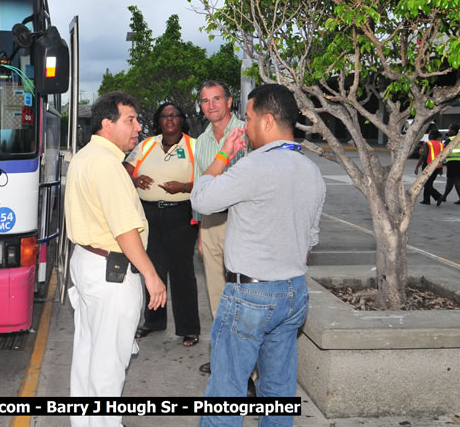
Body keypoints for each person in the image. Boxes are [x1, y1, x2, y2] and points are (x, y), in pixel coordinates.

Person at [191, 84, 325, 427]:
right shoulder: (311, 170)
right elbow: (310, 240)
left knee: (226, 392)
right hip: (293, 292)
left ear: (267, 121)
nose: (246, 127)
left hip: (250, 295)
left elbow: (201, 199)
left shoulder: (254, 166)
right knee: (278, 390)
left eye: (249, 119)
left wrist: (223, 155)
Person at [64, 91, 166, 427]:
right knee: (108, 363)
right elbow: (125, 230)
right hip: (112, 271)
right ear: (107, 124)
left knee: (89, 353)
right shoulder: (107, 165)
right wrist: (151, 275)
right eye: (130, 120)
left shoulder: (86, 156)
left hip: (89, 263)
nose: (138, 127)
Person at [124, 102, 200, 347]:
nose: (169, 119)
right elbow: (123, 171)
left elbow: (210, 179)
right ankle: (154, 321)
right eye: (165, 116)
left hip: (181, 215)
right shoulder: (146, 145)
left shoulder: (194, 146)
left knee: (182, 273)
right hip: (148, 215)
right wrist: (135, 180)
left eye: (174, 115)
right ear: (158, 120)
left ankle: (189, 328)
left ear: (182, 120)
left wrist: (184, 187)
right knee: (152, 268)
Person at [193, 80, 247, 374]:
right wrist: (201, 230)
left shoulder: (246, 132)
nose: (211, 105)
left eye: (216, 99)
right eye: (205, 100)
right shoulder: (201, 141)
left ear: (229, 101)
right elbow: (199, 187)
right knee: (217, 297)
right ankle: (223, 361)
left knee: (243, 297)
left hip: (241, 220)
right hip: (211, 223)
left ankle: (247, 372)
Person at [436, 124, 460, 206]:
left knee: (455, 179)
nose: (448, 131)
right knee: (451, 180)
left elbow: (443, 153)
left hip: (452, 162)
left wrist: (440, 165)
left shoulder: (449, 140)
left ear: (453, 131)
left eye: (450, 129)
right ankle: (445, 196)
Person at [414, 128, 444, 205]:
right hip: (437, 167)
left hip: (428, 166)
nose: (428, 135)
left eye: (430, 134)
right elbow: (442, 157)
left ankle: (438, 196)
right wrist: (441, 168)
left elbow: (422, 157)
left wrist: (417, 167)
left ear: (432, 135)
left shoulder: (427, 144)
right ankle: (426, 200)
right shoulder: (441, 145)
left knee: (425, 183)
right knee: (429, 183)